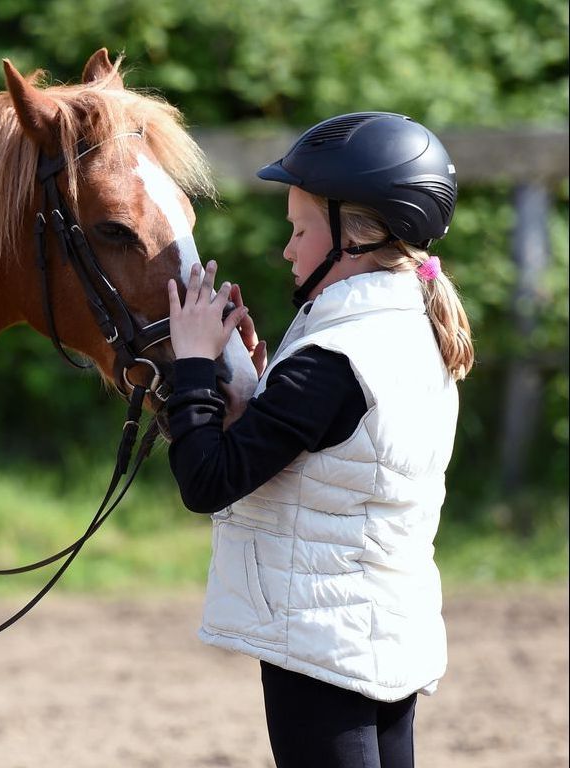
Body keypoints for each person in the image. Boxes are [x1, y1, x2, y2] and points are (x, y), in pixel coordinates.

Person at [165, 111, 474, 768]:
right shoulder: (412, 332)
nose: (288, 249)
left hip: (319, 647)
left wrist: (192, 361)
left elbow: (206, 480)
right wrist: (258, 387)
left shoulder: (329, 358)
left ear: (350, 242)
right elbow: (332, 447)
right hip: (387, 635)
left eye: (299, 230)